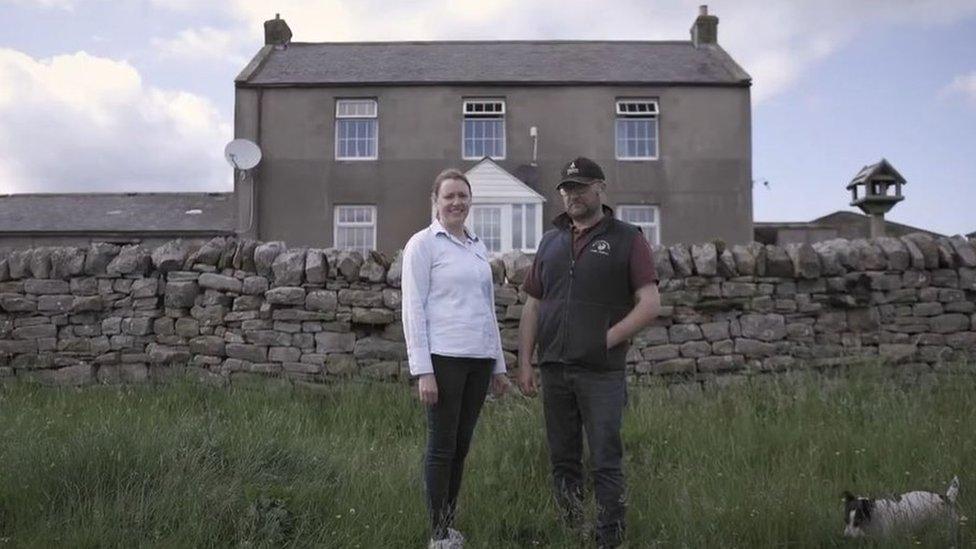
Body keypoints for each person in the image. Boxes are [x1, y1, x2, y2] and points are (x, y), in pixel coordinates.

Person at [517, 157, 660, 548]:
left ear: (600, 188)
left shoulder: (628, 237)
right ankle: (571, 534)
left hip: (601, 374)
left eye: (579, 186)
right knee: (563, 461)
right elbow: (532, 304)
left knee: (605, 462)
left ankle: (608, 539)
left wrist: (606, 339)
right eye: (565, 188)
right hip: (555, 372)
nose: (571, 194)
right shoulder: (550, 241)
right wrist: (525, 362)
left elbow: (649, 303)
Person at [401, 168, 510, 548]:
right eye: (449, 196)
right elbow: (413, 308)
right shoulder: (423, 244)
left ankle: (448, 526)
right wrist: (423, 371)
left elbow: (487, 310)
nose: (457, 202)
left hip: (479, 361)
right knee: (441, 447)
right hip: (444, 359)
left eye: (463, 196)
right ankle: (437, 535)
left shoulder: (478, 247)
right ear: (436, 201)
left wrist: (498, 366)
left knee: (461, 447)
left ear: (470, 201)